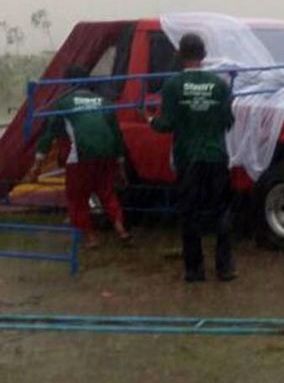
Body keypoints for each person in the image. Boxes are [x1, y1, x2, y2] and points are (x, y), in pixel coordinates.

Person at [149, 33, 236, 282]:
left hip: (188, 159)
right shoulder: (220, 85)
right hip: (216, 157)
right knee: (221, 212)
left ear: (179, 55)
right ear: (204, 55)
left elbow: (166, 124)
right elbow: (228, 121)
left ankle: (195, 271)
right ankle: (225, 268)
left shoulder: (173, 86)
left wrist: (151, 121)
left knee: (190, 214)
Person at [25, 65, 130, 248]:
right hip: (108, 153)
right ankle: (120, 229)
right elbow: (117, 135)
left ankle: (90, 237)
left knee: (77, 198)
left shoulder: (64, 103)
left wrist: (37, 165)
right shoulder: (104, 101)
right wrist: (121, 165)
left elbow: (49, 135)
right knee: (107, 192)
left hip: (80, 155)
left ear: (68, 83)